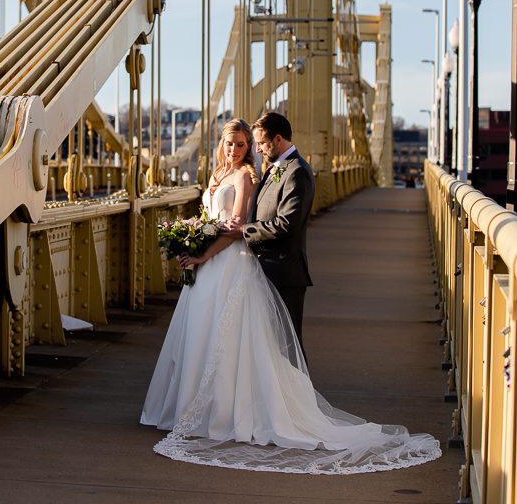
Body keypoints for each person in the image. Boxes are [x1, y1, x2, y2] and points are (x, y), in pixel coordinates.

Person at [140, 118, 441, 474]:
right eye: (233, 143)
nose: (248, 150)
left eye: (252, 143)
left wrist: (210, 249)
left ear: (276, 139)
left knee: (275, 349)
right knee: (216, 340)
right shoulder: (250, 171)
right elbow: (217, 220)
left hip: (268, 267)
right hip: (227, 268)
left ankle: (277, 412)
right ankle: (201, 409)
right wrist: (193, 238)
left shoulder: (287, 173)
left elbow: (275, 225)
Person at [222, 111, 313, 356]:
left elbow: (287, 223)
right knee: (268, 346)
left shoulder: (297, 172)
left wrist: (244, 230)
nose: (258, 149)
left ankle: (299, 384)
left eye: (261, 143)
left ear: (278, 139)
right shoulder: (275, 168)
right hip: (264, 268)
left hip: (285, 273)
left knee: (288, 346)